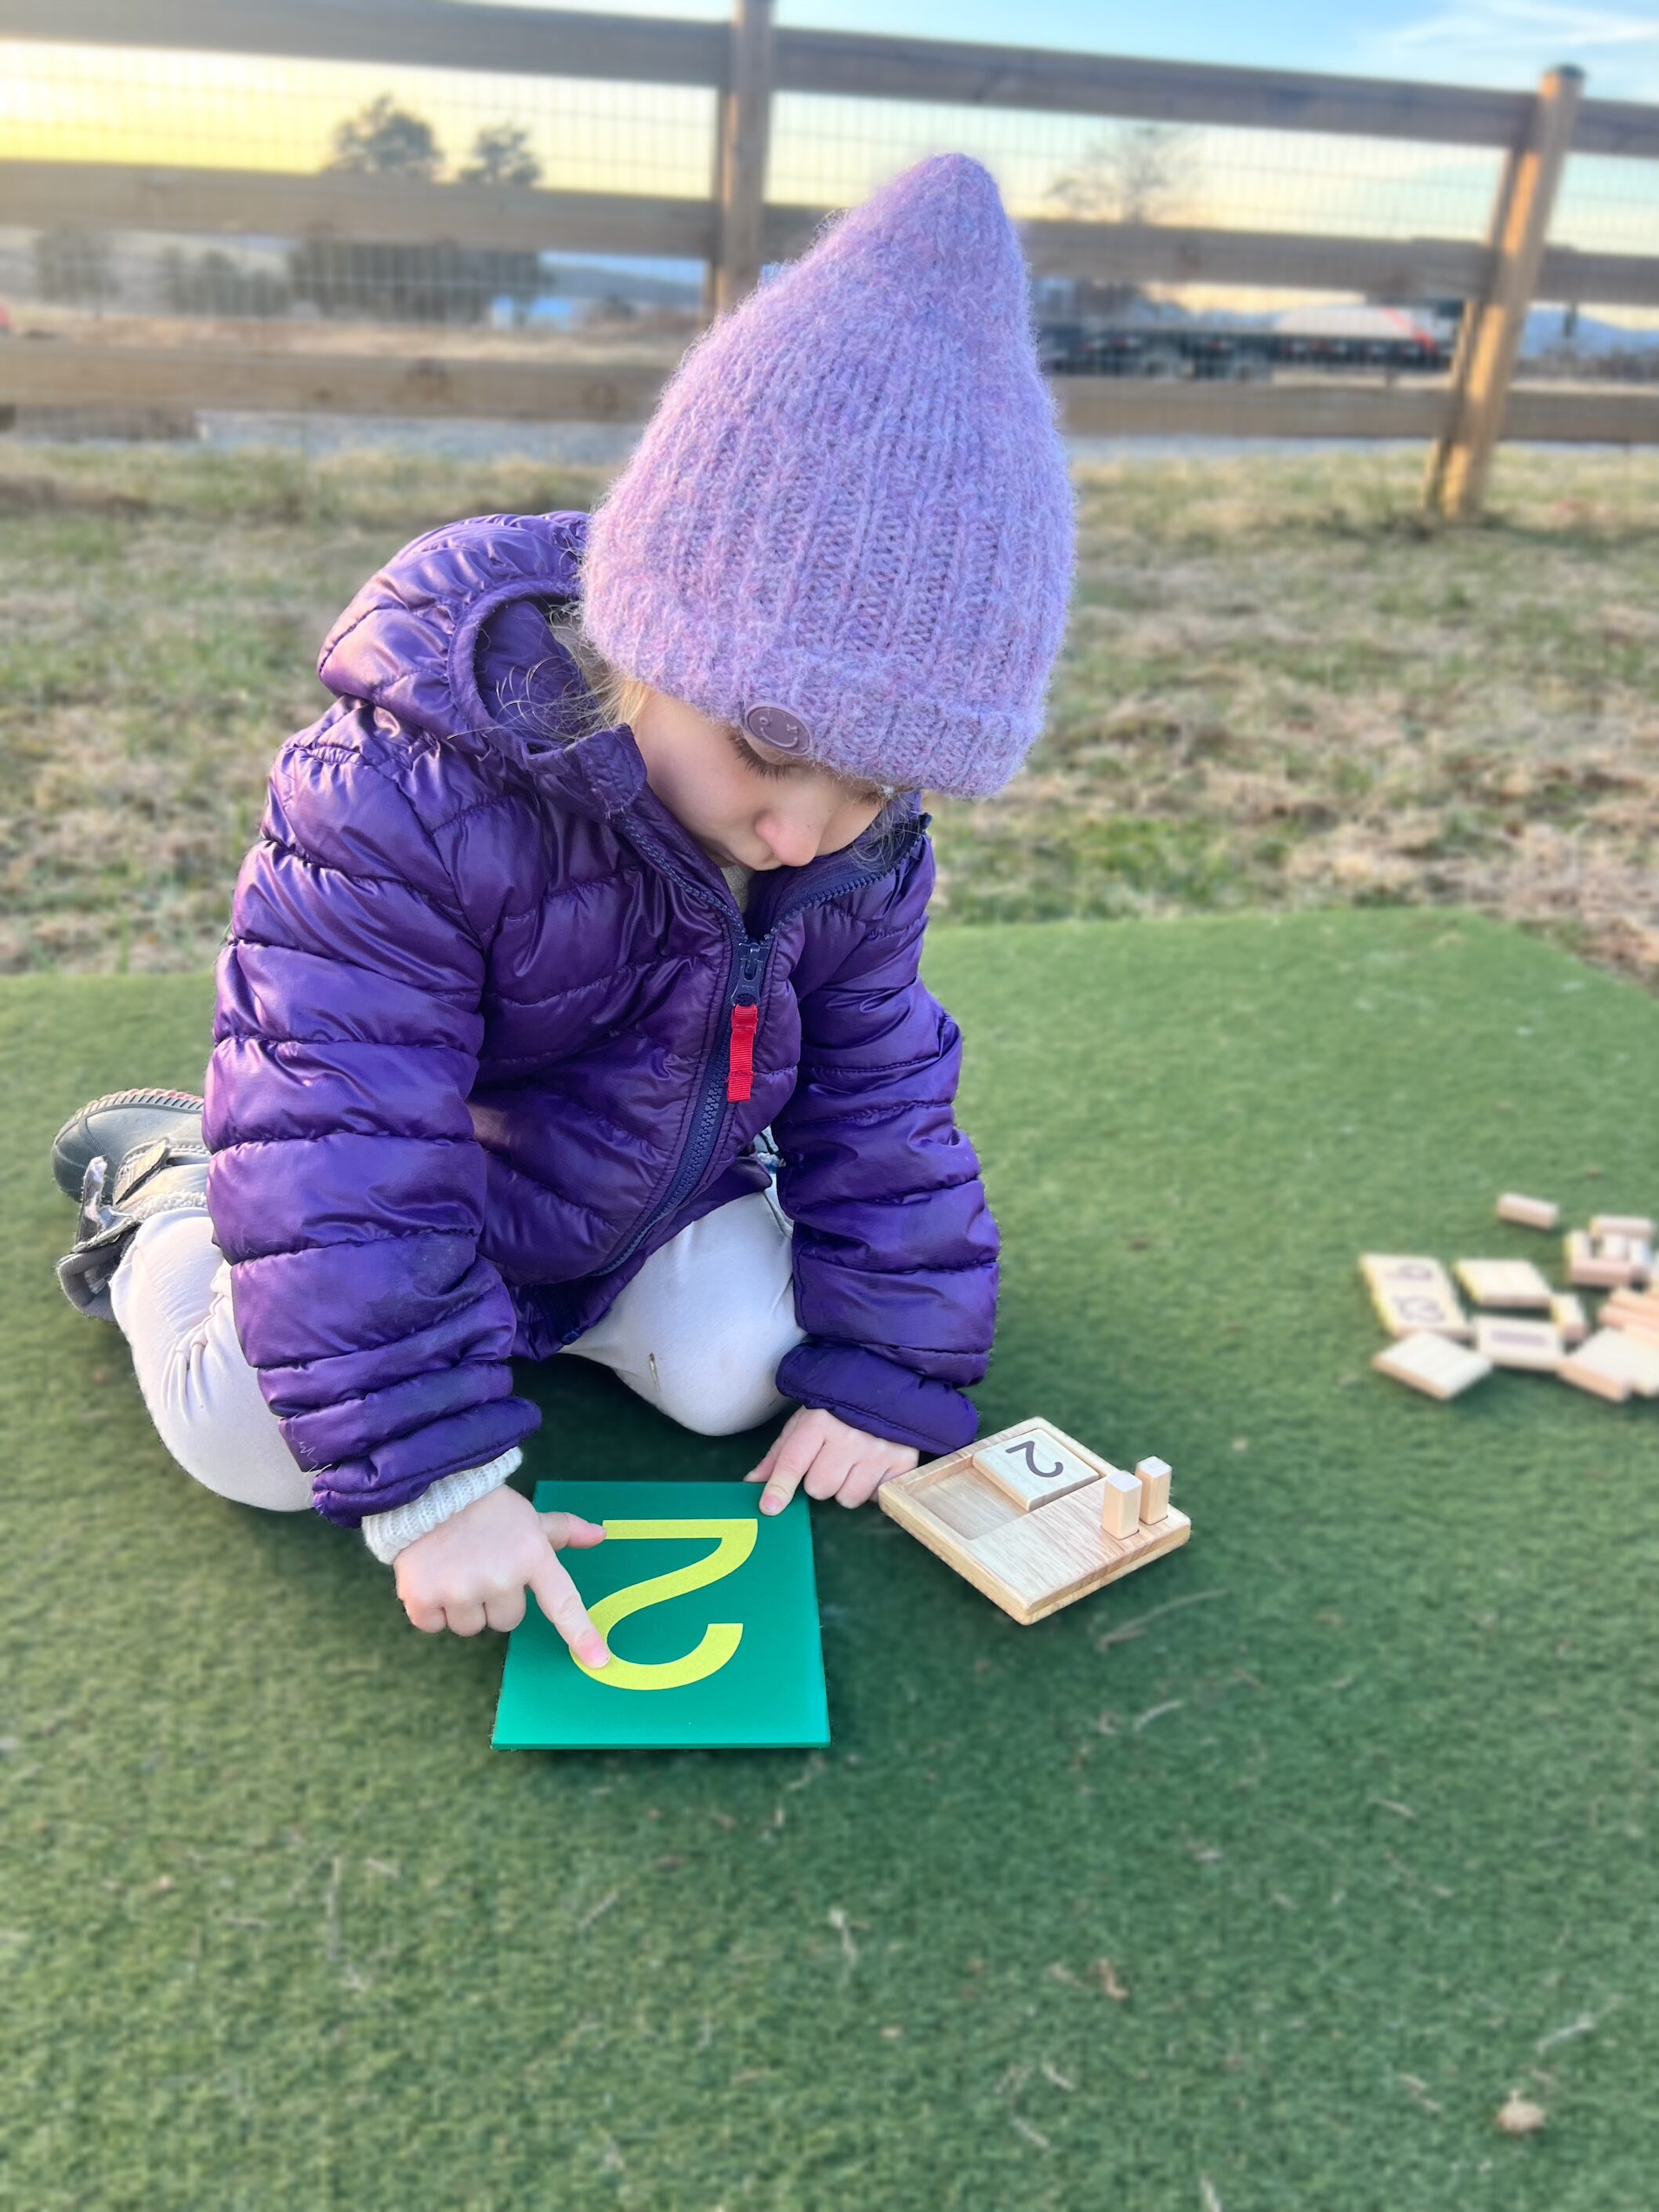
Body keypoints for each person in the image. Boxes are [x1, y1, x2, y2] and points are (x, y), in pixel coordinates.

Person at [48, 152, 1077, 1664]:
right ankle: (170, 1201)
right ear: (643, 638)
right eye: (770, 755)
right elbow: (345, 1119)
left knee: (752, 1371)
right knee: (256, 1448)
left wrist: (894, 1366)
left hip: (622, 1206)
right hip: (401, 1183)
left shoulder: (848, 835)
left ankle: (548, 1326)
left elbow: (880, 1087)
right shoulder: (406, 784)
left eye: (876, 789)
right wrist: (433, 1474)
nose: (806, 832)